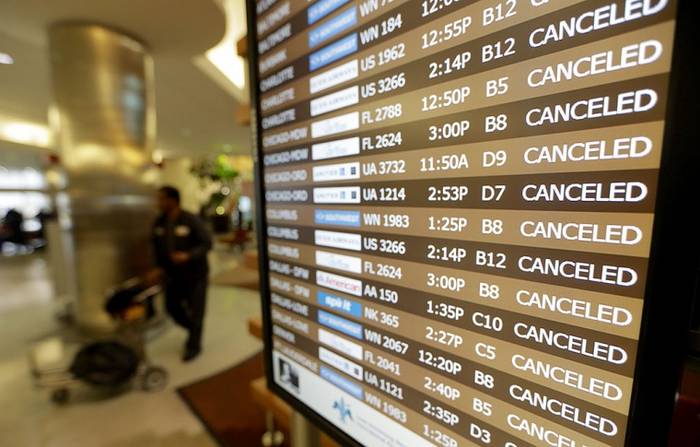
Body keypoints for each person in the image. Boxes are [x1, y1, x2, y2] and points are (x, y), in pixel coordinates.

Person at [152, 186, 212, 362]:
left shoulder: (191, 220)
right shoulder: (160, 222)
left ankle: (193, 346)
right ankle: (193, 329)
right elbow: (156, 247)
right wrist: (158, 267)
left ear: (173, 200)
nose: (159, 203)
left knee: (197, 311)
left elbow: (207, 243)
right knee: (172, 308)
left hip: (195, 275)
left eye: (162, 199)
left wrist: (188, 255)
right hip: (173, 275)